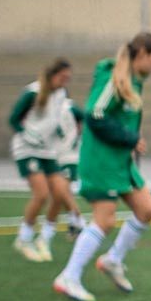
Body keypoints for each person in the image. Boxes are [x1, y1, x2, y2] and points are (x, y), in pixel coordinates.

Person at [53, 33, 151, 301]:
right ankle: (69, 276)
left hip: (119, 161)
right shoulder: (114, 78)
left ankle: (113, 260)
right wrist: (131, 139)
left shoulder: (134, 81)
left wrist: (130, 140)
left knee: (146, 210)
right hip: (101, 161)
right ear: (140, 55)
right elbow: (95, 114)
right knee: (105, 220)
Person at [8, 58, 75, 262]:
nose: (65, 81)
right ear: (54, 74)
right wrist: (26, 133)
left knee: (60, 193)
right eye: (63, 77)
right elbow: (13, 119)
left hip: (47, 150)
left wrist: (60, 132)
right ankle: (24, 238)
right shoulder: (33, 92)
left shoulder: (61, 94)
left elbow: (54, 119)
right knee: (41, 194)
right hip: (27, 149)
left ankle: (45, 239)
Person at [56, 98, 88, 239]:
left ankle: (81, 223)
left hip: (70, 156)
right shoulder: (51, 108)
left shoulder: (67, 105)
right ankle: (74, 223)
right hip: (59, 154)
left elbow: (83, 116)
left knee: (63, 190)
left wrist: (77, 133)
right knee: (62, 192)